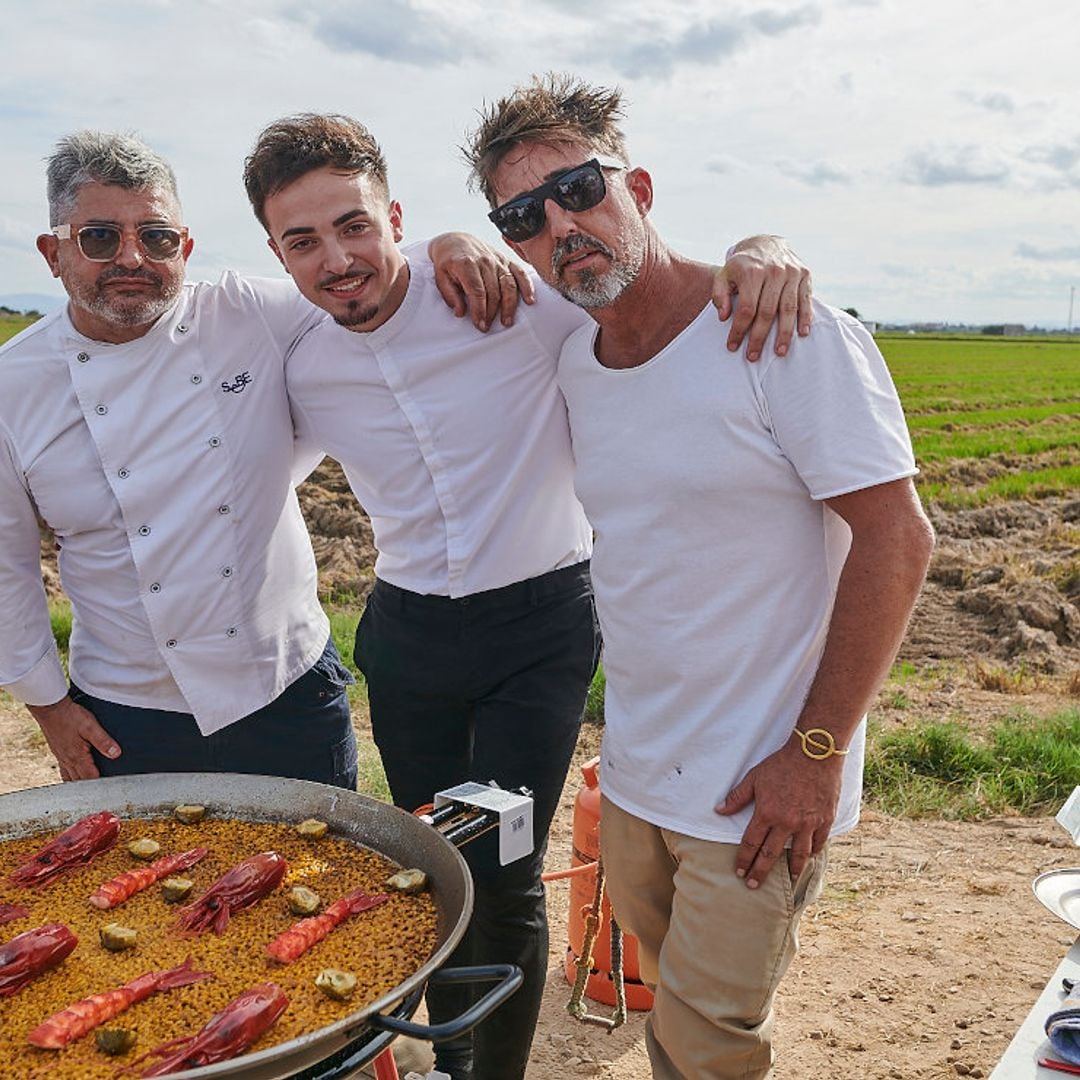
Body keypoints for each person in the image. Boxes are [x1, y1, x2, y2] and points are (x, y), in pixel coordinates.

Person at [241, 113, 813, 1080]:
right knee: (425, 863)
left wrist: (767, 249)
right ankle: (437, 1048)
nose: (336, 259)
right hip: (408, 636)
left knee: (501, 873)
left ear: (396, 217)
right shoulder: (300, 358)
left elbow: (658, 281)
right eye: (302, 240)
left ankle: (481, 1073)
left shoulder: (514, 299)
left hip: (540, 628)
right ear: (275, 253)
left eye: (355, 226)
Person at [465, 73, 935, 1079]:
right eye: (522, 216)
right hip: (638, 778)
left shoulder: (779, 335)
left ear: (635, 184)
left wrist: (815, 754)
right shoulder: (577, 361)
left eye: (580, 189)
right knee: (667, 1007)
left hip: (762, 787)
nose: (561, 225)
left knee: (703, 1049)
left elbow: (897, 542)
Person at [0, 131, 510, 788]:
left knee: (319, 885)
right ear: (52, 253)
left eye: (156, 237)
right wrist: (48, 708)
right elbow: (6, 569)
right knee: (147, 889)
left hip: (288, 692)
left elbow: (355, 274)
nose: (132, 257)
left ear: (184, 247)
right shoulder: (12, 386)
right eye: (100, 237)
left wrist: (446, 245)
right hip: (128, 711)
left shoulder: (250, 313)